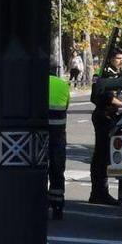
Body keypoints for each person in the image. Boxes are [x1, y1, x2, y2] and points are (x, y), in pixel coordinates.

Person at [89, 48, 122, 205]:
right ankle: (99, 193)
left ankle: (99, 192)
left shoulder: (112, 74)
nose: (121, 61)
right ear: (111, 59)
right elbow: (105, 97)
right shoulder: (104, 76)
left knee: (103, 156)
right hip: (104, 116)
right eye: (118, 58)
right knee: (102, 156)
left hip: (109, 116)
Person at [47, 74, 70, 220]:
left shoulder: (35, 83)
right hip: (58, 135)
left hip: (39, 134)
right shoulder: (63, 85)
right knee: (57, 170)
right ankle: (57, 204)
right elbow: (66, 107)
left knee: (38, 168)